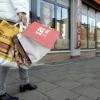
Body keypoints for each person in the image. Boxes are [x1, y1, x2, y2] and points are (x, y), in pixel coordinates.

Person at [0, 0, 37, 100]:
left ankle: (24, 83)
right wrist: (22, 11)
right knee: (4, 58)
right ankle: (1, 93)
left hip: (17, 23)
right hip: (9, 23)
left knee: (23, 55)